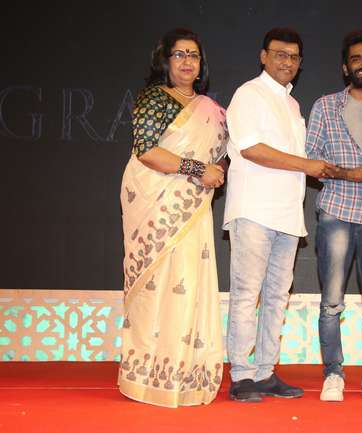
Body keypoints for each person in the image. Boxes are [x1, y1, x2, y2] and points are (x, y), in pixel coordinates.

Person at [223, 27, 335, 402]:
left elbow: (299, 160)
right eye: (280, 54)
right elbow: (251, 148)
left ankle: (265, 371)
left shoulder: (292, 105)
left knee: (276, 297)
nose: (287, 62)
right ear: (263, 56)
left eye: (294, 57)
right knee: (247, 295)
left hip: (288, 215)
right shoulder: (248, 94)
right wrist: (308, 165)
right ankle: (241, 375)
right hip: (254, 209)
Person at [118, 28, 227, 407]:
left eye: (193, 55)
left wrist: (216, 170)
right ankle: (146, 376)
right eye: (179, 54)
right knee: (155, 285)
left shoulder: (212, 110)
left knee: (188, 281)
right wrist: (198, 168)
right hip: (155, 205)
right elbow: (147, 151)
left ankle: (187, 371)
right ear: (165, 61)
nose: (186, 61)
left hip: (192, 209)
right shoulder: (154, 98)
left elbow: (222, 158)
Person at [306, 30, 362, 402]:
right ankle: (333, 374)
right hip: (337, 210)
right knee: (331, 301)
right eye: (356, 58)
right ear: (345, 67)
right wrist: (349, 173)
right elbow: (311, 160)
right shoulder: (325, 106)